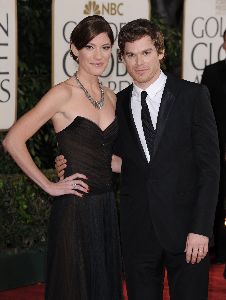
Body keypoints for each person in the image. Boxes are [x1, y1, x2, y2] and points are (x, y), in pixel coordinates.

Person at [56, 19, 220, 300]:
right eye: (130, 55)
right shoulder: (115, 104)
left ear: (160, 52)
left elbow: (210, 169)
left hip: (187, 232)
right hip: (137, 233)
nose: (139, 62)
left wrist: (201, 229)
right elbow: (113, 158)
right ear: (122, 59)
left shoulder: (192, 96)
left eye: (146, 52)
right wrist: (71, 161)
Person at [3, 15, 122, 300]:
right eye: (90, 47)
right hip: (74, 208)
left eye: (105, 48)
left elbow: (111, 160)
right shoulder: (62, 94)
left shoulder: (112, 97)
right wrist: (49, 185)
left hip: (106, 207)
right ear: (74, 49)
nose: (98, 55)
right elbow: (13, 139)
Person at [201, 29, 226, 265]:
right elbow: (204, 112)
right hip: (217, 148)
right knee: (215, 198)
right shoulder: (212, 72)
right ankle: (215, 247)